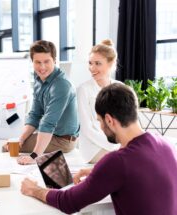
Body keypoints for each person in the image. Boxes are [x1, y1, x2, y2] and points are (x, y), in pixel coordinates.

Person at [21, 83, 177, 215]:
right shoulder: (165, 144)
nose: (101, 126)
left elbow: (69, 202)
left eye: (100, 121)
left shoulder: (117, 162)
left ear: (109, 120)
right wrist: (97, 171)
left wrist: (34, 189)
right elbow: (140, 167)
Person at [14, 40, 79, 165]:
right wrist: (20, 139)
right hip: (52, 135)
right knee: (11, 146)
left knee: (12, 149)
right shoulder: (39, 80)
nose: (42, 67)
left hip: (63, 141)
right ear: (32, 62)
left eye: (46, 61)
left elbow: (48, 123)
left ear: (54, 60)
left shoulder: (61, 85)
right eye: (38, 62)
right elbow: (35, 115)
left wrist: (34, 156)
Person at [77, 39, 121, 163]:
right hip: (93, 147)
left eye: (98, 63)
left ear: (111, 63)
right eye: (90, 63)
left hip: (117, 143)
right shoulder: (83, 90)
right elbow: (87, 129)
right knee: (125, 161)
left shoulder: (120, 88)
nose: (92, 68)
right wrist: (113, 145)